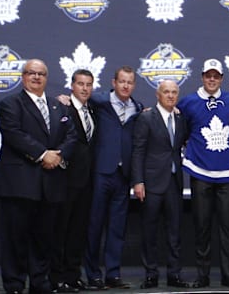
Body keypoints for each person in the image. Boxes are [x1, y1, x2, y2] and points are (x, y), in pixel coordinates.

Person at [0, 59, 77, 294]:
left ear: (46, 78)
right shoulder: (9, 104)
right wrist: (43, 155)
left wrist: (58, 156)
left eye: (41, 74)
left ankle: (40, 284)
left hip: (50, 185)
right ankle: (15, 285)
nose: (36, 77)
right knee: (15, 241)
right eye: (31, 73)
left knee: (43, 240)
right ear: (23, 77)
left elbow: (71, 135)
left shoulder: (58, 106)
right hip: (17, 185)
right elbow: (14, 134)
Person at [177, 58, 229, 288]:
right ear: (202, 77)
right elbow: (178, 128)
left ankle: (227, 275)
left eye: (216, 76)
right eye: (208, 75)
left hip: (227, 173)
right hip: (200, 172)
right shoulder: (188, 103)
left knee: (227, 228)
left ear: (222, 78)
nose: (212, 79)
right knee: (201, 227)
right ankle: (202, 275)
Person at [84, 65, 143, 290]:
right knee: (94, 225)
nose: (126, 85)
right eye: (122, 81)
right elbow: (80, 99)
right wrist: (64, 98)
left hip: (123, 176)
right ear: (113, 82)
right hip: (101, 173)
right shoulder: (99, 102)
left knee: (117, 228)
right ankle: (93, 274)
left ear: (134, 85)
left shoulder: (137, 108)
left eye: (130, 82)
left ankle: (113, 274)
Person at [131, 80, 191, 290]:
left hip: (174, 183)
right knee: (150, 231)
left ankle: (174, 274)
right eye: (166, 92)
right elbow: (138, 150)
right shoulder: (146, 117)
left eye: (174, 92)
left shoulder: (180, 118)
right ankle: (151, 274)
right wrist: (138, 181)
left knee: (174, 232)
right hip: (151, 183)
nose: (171, 96)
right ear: (158, 94)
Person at [50, 69, 96, 293]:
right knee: (61, 231)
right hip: (65, 180)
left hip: (86, 182)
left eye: (88, 84)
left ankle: (73, 275)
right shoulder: (61, 108)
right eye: (80, 84)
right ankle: (56, 277)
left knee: (78, 231)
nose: (85, 88)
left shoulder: (94, 110)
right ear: (72, 85)